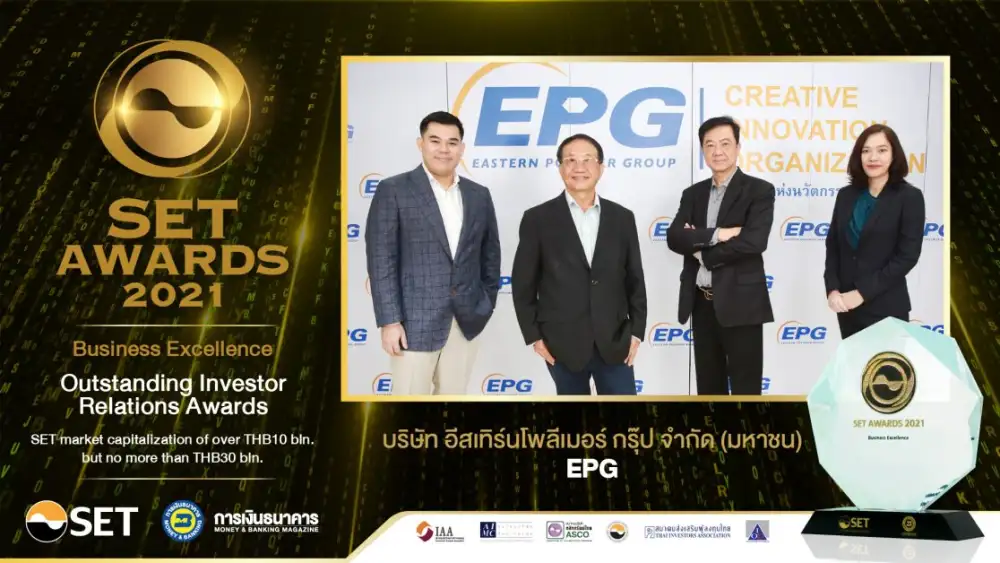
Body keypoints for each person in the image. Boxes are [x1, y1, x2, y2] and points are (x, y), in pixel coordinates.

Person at [364, 111, 501, 395]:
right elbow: (381, 260)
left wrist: (484, 304)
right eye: (435, 140)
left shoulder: (479, 194)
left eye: (452, 142)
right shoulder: (393, 190)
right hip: (411, 324)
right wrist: (390, 321)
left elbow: (490, 256)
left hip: (465, 322)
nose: (444, 149)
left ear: (462, 148)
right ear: (421, 144)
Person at [511, 134, 647, 396]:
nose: (579, 168)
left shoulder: (622, 218)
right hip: (560, 343)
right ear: (561, 168)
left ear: (601, 167)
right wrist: (534, 336)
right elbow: (523, 284)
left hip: (615, 341)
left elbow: (635, 279)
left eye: (587, 160)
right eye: (571, 160)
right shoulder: (537, 219)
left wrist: (637, 332)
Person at [666, 116, 775, 396]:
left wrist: (703, 253)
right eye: (710, 145)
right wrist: (719, 234)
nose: (717, 151)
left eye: (725, 143)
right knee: (708, 388)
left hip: (742, 304)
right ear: (703, 150)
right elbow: (675, 237)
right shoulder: (692, 194)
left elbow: (754, 242)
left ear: (738, 147)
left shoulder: (759, 190)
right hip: (701, 303)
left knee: (746, 389)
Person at [824, 124, 925, 339]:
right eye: (866, 150)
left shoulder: (909, 197)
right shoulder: (846, 195)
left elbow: (907, 257)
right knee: (853, 362)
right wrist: (832, 289)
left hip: (886, 308)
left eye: (882, 150)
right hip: (847, 308)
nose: (873, 157)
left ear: (894, 155)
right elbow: (833, 246)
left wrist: (861, 293)